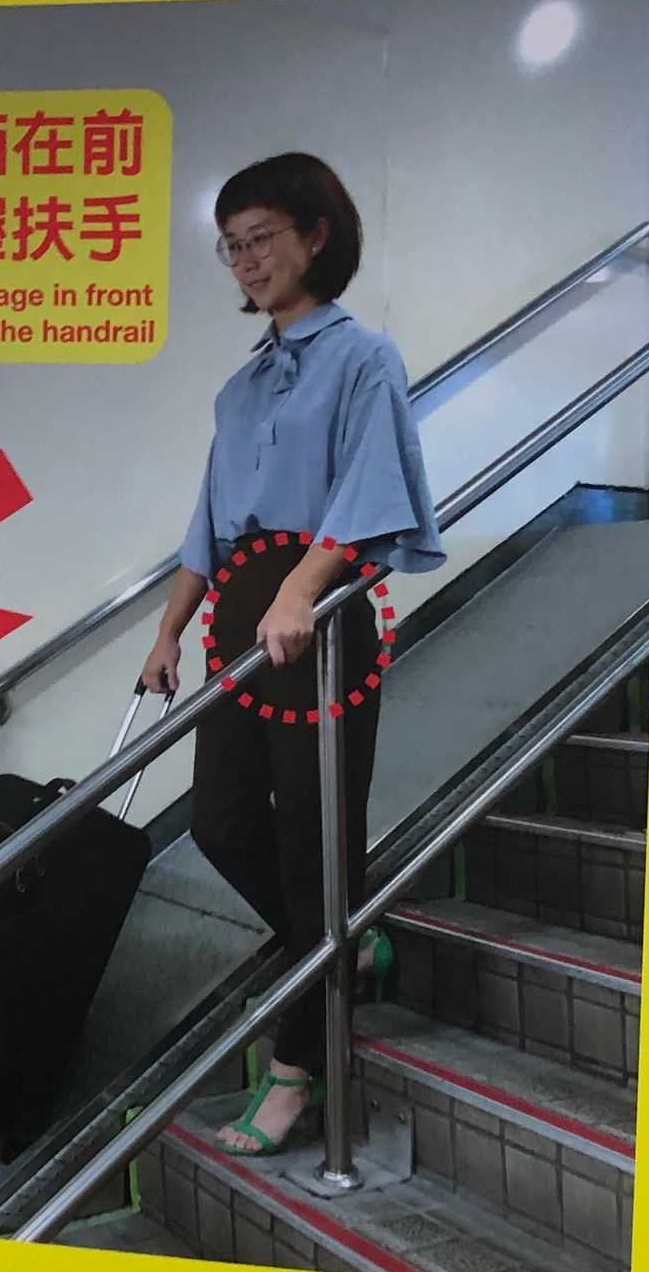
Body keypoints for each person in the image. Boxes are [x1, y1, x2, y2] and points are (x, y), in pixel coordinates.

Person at [140, 153, 444, 1155]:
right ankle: (343, 945)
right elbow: (209, 521)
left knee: (318, 840)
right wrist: (169, 628)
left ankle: (291, 1073)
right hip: (242, 618)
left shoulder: (364, 359)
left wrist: (299, 591)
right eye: (229, 246)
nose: (243, 260)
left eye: (260, 236)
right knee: (223, 826)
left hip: (315, 626)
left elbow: (363, 498)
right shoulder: (239, 389)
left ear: (316, 234)